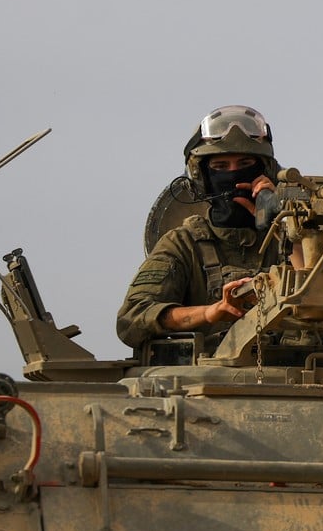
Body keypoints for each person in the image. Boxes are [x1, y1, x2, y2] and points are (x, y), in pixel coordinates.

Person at [117, 105, 288, 355]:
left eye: (245, 163)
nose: (233, 174)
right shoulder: (183, 243)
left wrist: (285, 224)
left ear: (266, 172)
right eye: (220, 166)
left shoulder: (294, 237)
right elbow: (132, 319)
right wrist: (211, 312)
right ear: (202, 178)